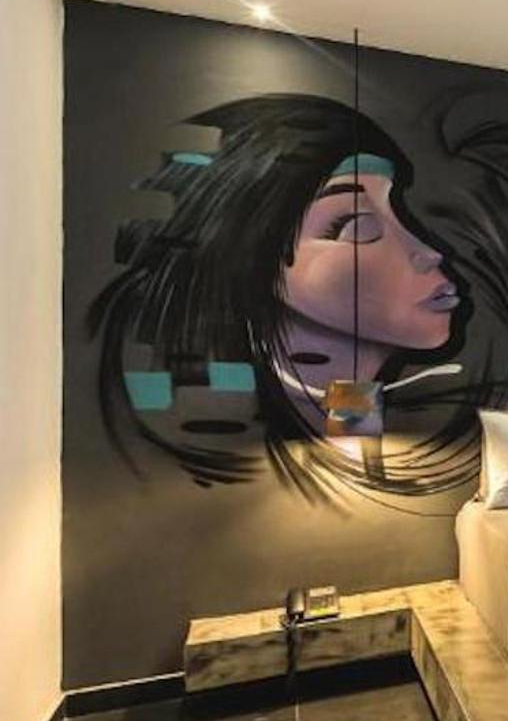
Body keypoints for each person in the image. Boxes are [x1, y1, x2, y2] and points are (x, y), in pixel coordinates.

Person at [89, 93, 474, 501]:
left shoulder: (352, 397)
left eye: (397, 212)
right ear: (251, 257)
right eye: (356, 226)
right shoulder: (208, 433)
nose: (428, 252)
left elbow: (352, 442)